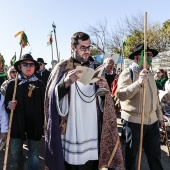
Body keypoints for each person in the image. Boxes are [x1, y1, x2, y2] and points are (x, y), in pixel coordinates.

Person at [44, 32, 124, 170]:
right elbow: (50, 96)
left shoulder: (96, 66)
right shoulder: (62, 67)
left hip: (92, 126)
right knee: (72, 165)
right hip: (71, 126)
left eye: (88, 47)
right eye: (82, 47)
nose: (87, 51)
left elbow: (104, 99)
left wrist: (104, 88)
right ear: (72, 47)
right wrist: (66, 83)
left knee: (91, 163)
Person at [117, 43, 164, 170]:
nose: (151, 58)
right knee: (132, 156)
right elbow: (121, 95)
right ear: (137, 58)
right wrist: (138, 83)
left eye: (152, 55)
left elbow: (155, 98)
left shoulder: (151, 75)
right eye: (148, 55)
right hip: (133, 122)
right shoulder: (128, 73)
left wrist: (159, 117)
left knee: (155, 155)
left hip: (152, 122)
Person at [5, 54, 45, 170]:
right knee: (16, 153)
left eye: (31, 64)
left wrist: (45, 123)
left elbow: (45, 105)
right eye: (25, 64)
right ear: (19, 67)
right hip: (16, 124)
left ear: (35, 67)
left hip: (35, 124)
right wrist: (9, 105)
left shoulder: (40, 84)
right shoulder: (12, 84)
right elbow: (6, 103)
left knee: (34, 154)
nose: (28, 66)